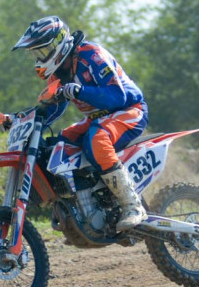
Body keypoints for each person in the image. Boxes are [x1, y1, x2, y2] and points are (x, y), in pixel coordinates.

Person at [12, 16, 148, 231]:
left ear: (57, 44)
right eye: (35, 53)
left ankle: (132, 205)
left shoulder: (91, 55)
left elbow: (117, 96)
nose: (38, 58)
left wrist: (79, 91)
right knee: (60, 143)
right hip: (97, 118)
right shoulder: (57, 74)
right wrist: (17, 119)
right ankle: (85, 204)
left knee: (97, 139)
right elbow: (52, 109)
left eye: (42, 51)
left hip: (128, 110)